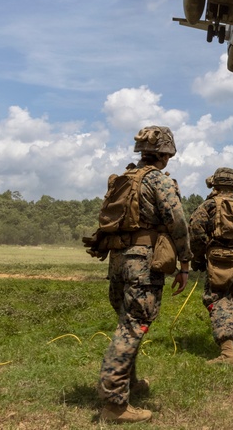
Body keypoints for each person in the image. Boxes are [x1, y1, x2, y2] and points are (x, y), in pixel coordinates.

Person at [96, 126, 192, 424]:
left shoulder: (123, 179)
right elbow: (177, 221)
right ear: (166, 153)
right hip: (142, 263)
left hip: (118, 261)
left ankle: (129, 384)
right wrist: (185, 261)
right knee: (133, 326)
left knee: (127, 323)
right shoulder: (158, 181)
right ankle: (114, 403)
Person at [188, 166, 233, 365]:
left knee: (218, 299)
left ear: (215, 184)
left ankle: (227, 354)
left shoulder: (209, 206)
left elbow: (195, 229)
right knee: (232, 297)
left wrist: (200, 256)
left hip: (218, 260)